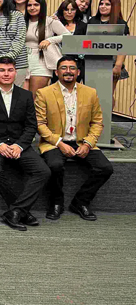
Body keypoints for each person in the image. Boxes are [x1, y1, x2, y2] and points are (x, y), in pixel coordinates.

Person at [36, 56, 114, 221]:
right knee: (54, 165)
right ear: (57, 72)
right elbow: (40, 124)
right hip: (54, 142)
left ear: (78, 72)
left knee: (105, 168)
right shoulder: (44, 93)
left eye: (72, 68)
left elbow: (97, 122)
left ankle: (81, 202)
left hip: (82, 140)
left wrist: (88, 143)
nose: (68, 71)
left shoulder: (90, 92)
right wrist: (60, 143)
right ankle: (56, 202)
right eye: (63, 68)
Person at [0, 57, 50, 231]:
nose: (6, 74)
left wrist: (19, 145)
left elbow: (31, 125)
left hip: (20, 144)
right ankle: (20, 210)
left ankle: (16, 211)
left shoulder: (26, 95)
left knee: (43, 171)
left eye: (10, 70)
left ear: (16, 73)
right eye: (2, 70)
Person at [24, 0, 70, 98]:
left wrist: (50, 40)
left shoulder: (50, 21)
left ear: (42, 6)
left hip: (42, 61)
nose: (32, 8)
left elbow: (67, 35)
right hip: (22, 60)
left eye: (36, 5)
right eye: (29, 5)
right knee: (22, 98)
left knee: (35, 97)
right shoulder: (22, 21)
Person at [88, 0, 130, 103]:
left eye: (107, 4)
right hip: (92, 63)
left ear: (115, 7)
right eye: (101, 4)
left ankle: (106, 119)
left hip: (111, 63)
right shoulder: (92, 21)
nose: (103, 6)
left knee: (106, 95)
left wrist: (118, 65)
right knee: (92, 96)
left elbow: (124, 45)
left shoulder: (121, 23)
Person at [55, 0, 87, 81]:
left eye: (72, 9)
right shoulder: (55, 24)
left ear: (76, 11)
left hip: (77, 63)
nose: (69, 13)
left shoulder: (83, 26)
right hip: (57, 61)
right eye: (66, 10)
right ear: (62, 11)